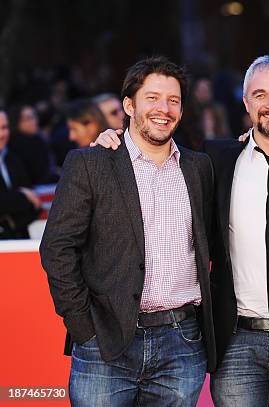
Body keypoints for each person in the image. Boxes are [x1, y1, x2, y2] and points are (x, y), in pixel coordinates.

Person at [93, 55, 269, 407]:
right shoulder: (216, 160)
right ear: (245, 102)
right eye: (259, 95)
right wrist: (114, 142)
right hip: (236, 341)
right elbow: (156, 151)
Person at [40, 56, 216, 406]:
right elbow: (57, 248)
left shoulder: (200, 168)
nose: (163, 109)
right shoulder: (91, 163)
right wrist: (83, 328)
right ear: (129, 105)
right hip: (105, 341)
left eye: (173, 100)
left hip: (182, 343)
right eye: (152, 98)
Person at [0, 109, 41, 239]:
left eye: (4, 127)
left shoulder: (13, 159)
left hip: (19, 239)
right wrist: (22, 195)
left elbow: (34, 204)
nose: (1, 134)